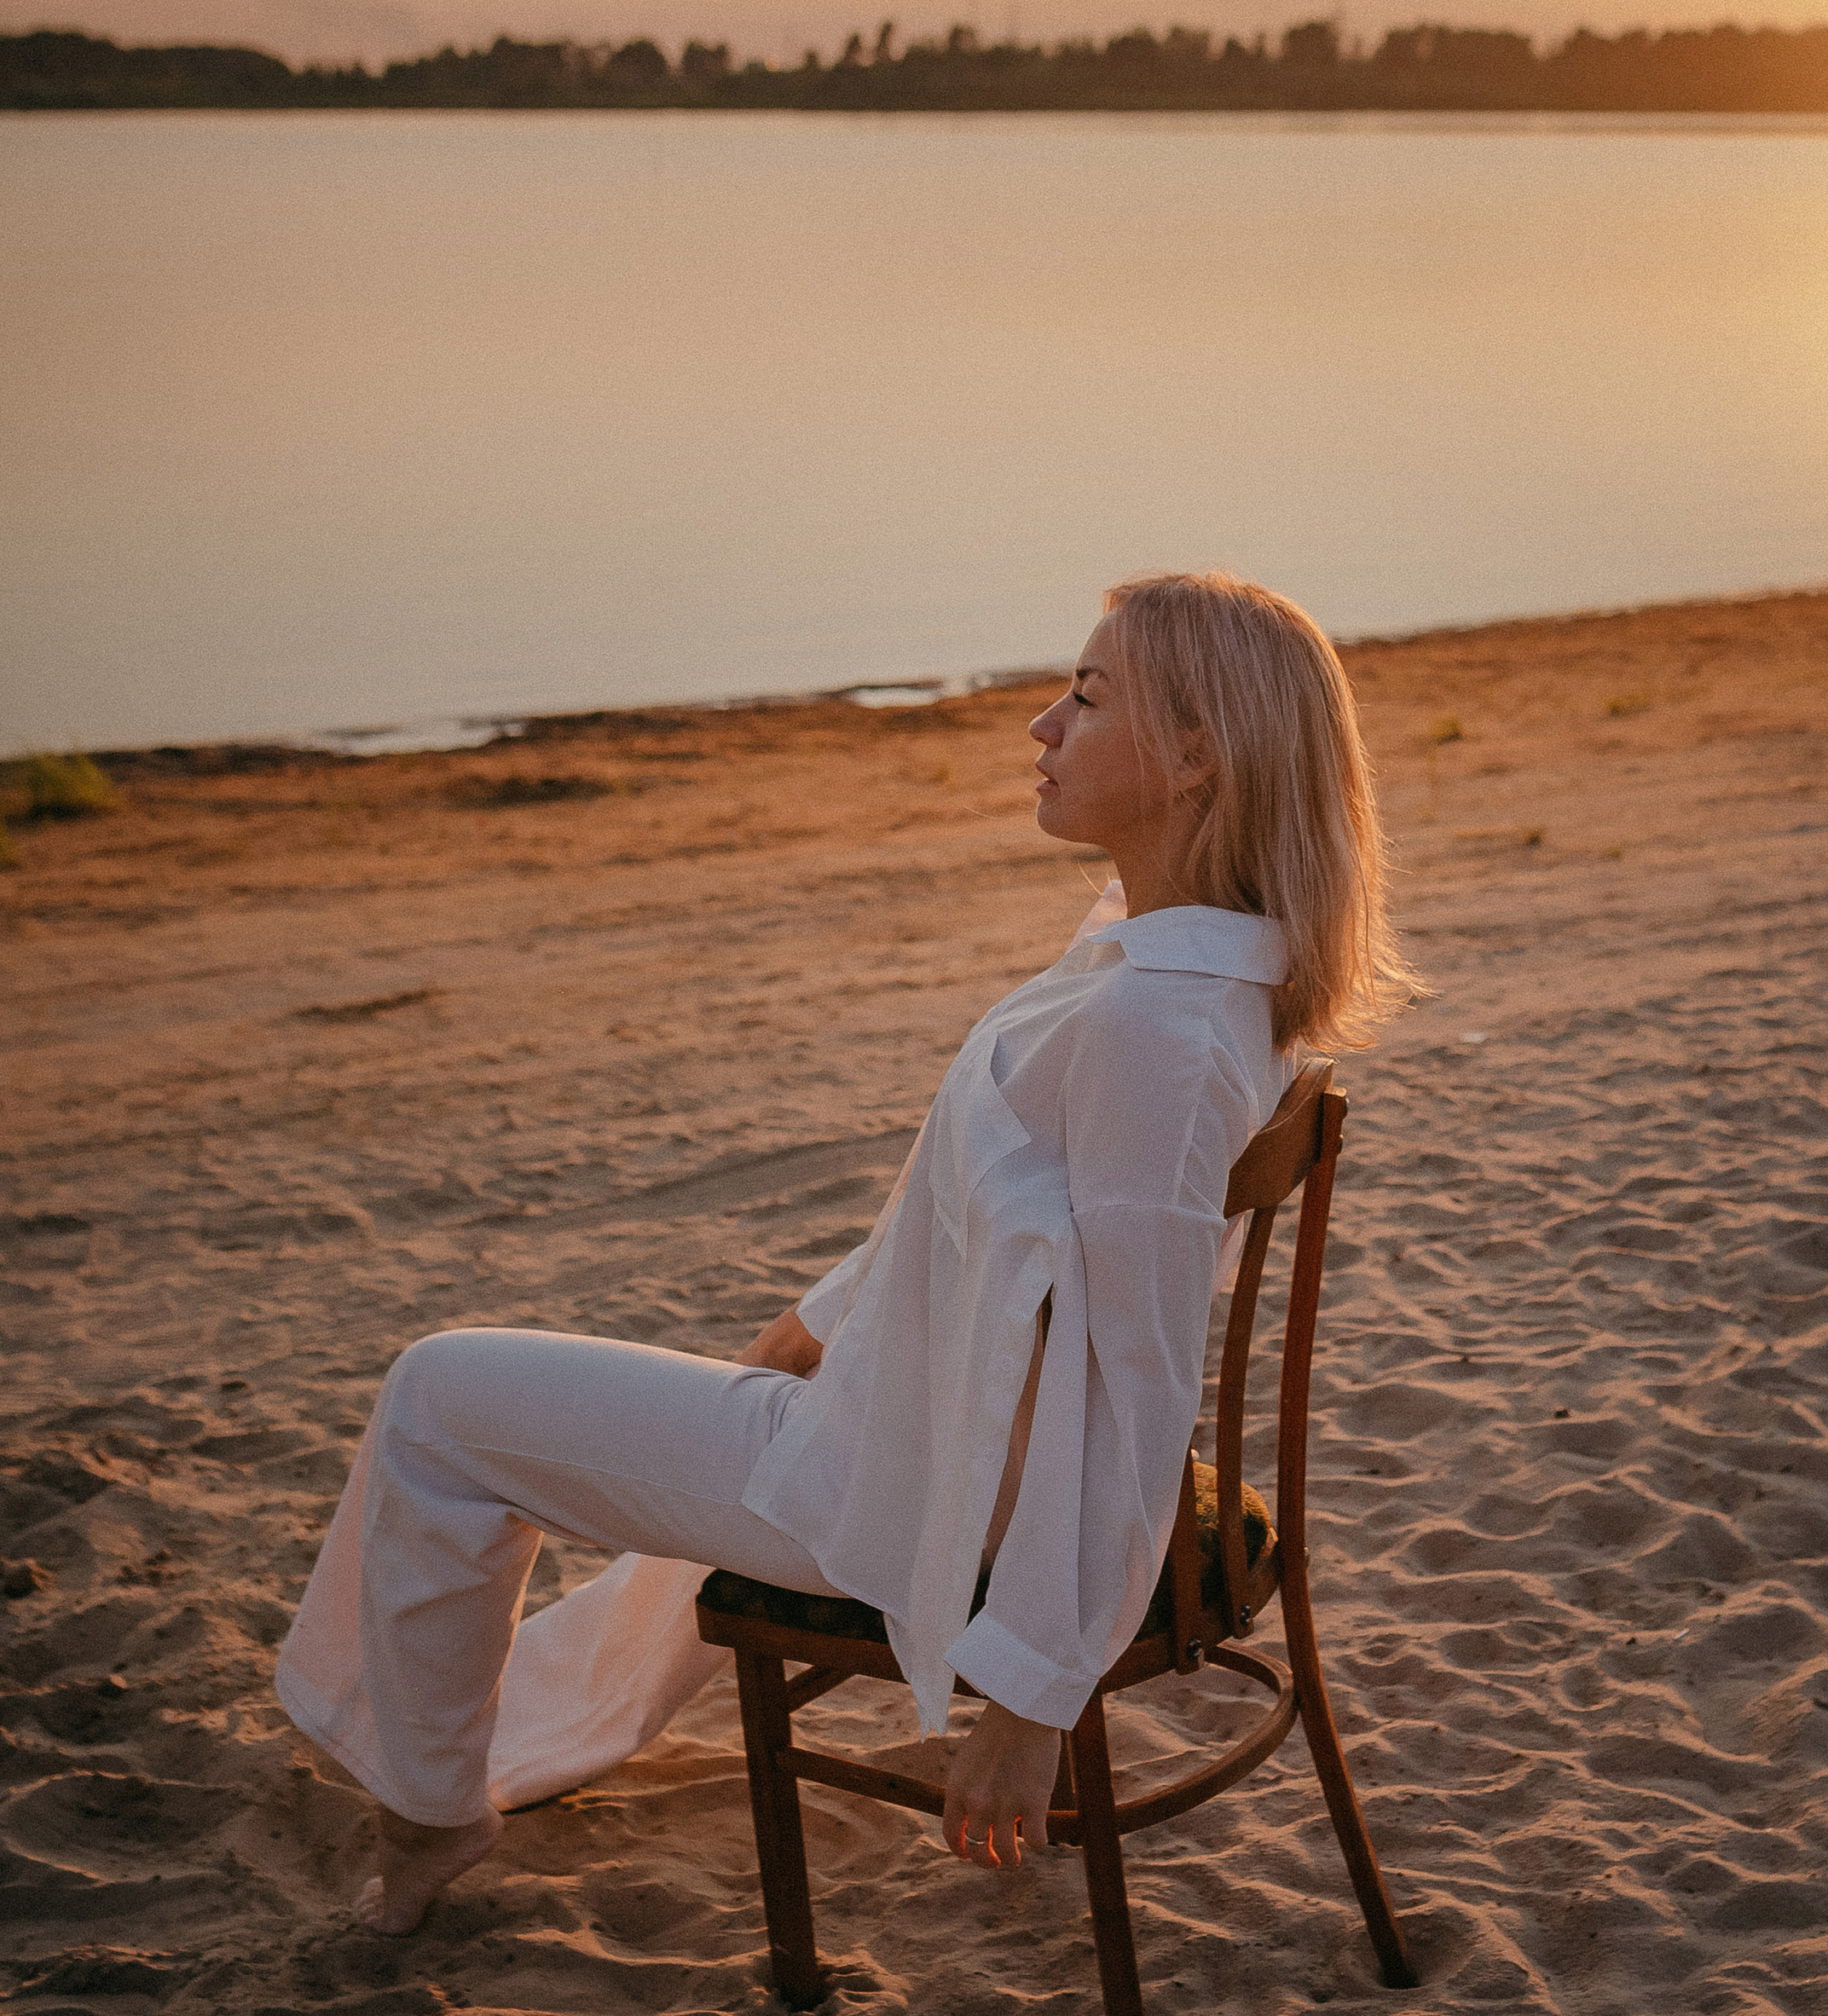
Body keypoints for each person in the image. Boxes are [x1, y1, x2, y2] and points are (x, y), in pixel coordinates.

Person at [276, 569, 1407, 1934]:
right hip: (919, 1418)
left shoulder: (1151, 1037)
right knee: (645, 1433)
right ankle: (511, 1741)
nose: (1042, 724)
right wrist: (823, 1318)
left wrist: (1031, 1697)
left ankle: (430, 1814)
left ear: (1194, 758)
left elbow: (1138, 1380)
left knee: (436, 1398)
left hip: (917, 1485)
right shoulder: (1165, 959)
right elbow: (990, 1204)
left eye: (1088, 698)